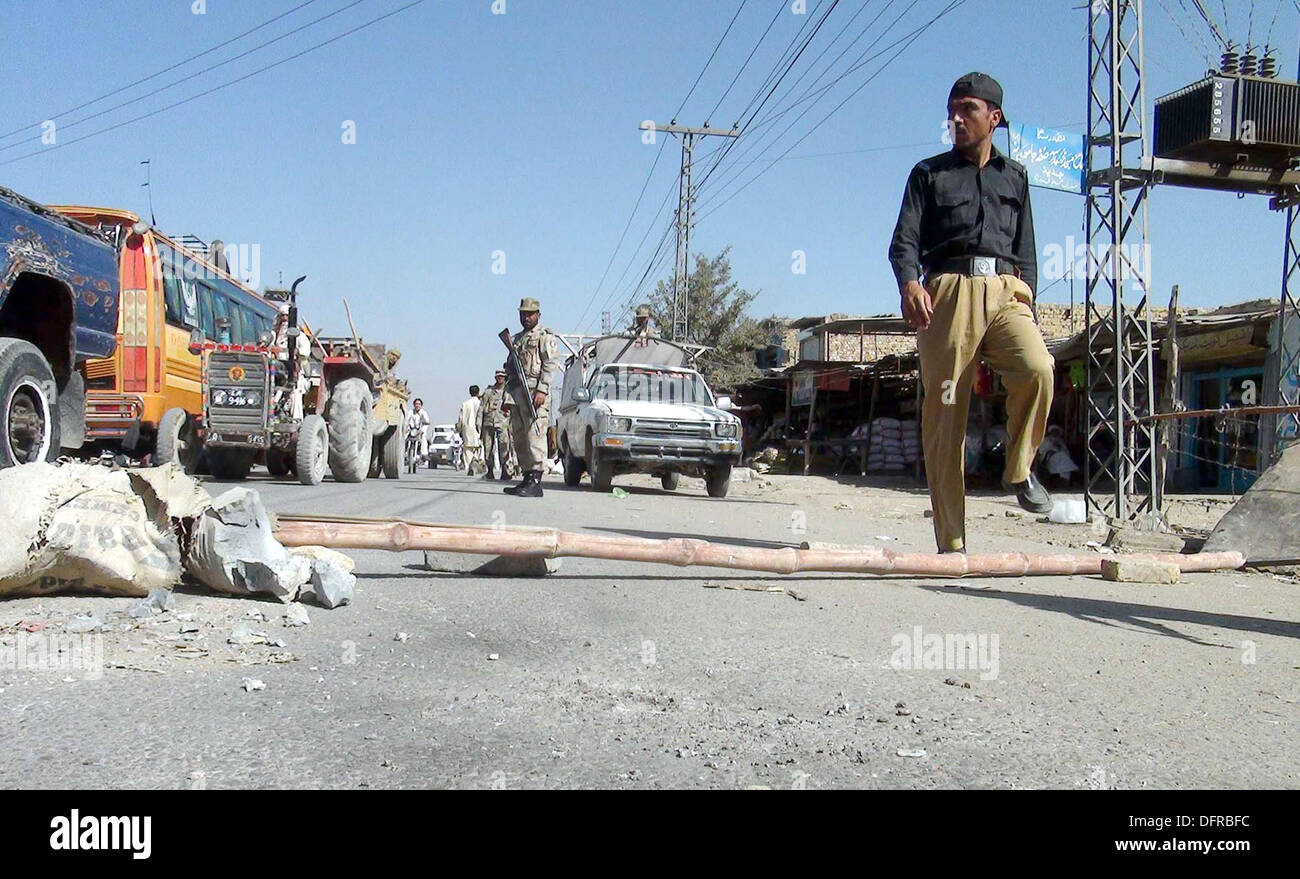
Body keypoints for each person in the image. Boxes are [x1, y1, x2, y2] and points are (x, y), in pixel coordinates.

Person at [888, 72, 1055, 554]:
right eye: (952, 111)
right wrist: (910, 284)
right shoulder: (928, 174)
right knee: (945, 417)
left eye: (967, 110)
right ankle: (952, 543)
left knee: (1039, 369)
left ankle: (1019, 469)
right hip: (948, 291)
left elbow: (1028, 250)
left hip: (1006, 290)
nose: (956, 119)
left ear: (994, 117)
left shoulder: (1016, 177)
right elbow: (905, 242)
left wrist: (1028, 298)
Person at [502, 296, 557, 497]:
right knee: (519, 436)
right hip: (517, 394)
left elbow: (550, 364)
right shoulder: (516, 339)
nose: (526, 317)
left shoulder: (544, 336)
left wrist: (542, 389)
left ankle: (536, 480)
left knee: (535, 434)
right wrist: (507, 399)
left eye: (530, 314)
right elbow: (511, 371)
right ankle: (526, 476)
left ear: (538, 315)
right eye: (523, 314)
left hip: (535, 393)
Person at [479, 370, 511, 480]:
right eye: (498, 377)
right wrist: (478, 425)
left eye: (502, 377)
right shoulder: (488, 392)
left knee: (504, 446)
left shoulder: (508, 391)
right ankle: (490, 471)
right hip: (488, 423)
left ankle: (504, 470)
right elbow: (481, 409)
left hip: (503, 423)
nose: (500, 379)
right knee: (488, 448)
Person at [457, 385, 484, 475]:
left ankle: (469, 467)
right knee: (478, 448)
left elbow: (461, 418)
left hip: (467, 429)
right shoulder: (480, 403)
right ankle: (476, 463)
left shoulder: (465, 404)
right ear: (478, 392)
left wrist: (459, 429)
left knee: (467, 450)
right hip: (478, 428)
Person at [406, 397, 431, 463]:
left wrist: (422, 430)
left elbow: (427, 423)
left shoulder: (423, 413)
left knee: (423, 438)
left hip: (419, 431)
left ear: (421, 405)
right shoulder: (410, 412)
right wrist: (407, 428)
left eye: (419, 404)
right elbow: (406, 421)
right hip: (411, 430)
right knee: (403, 437)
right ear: (414, 405)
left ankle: (424, 454)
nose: (417, 405)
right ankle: (403, 452)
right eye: (416, 404)